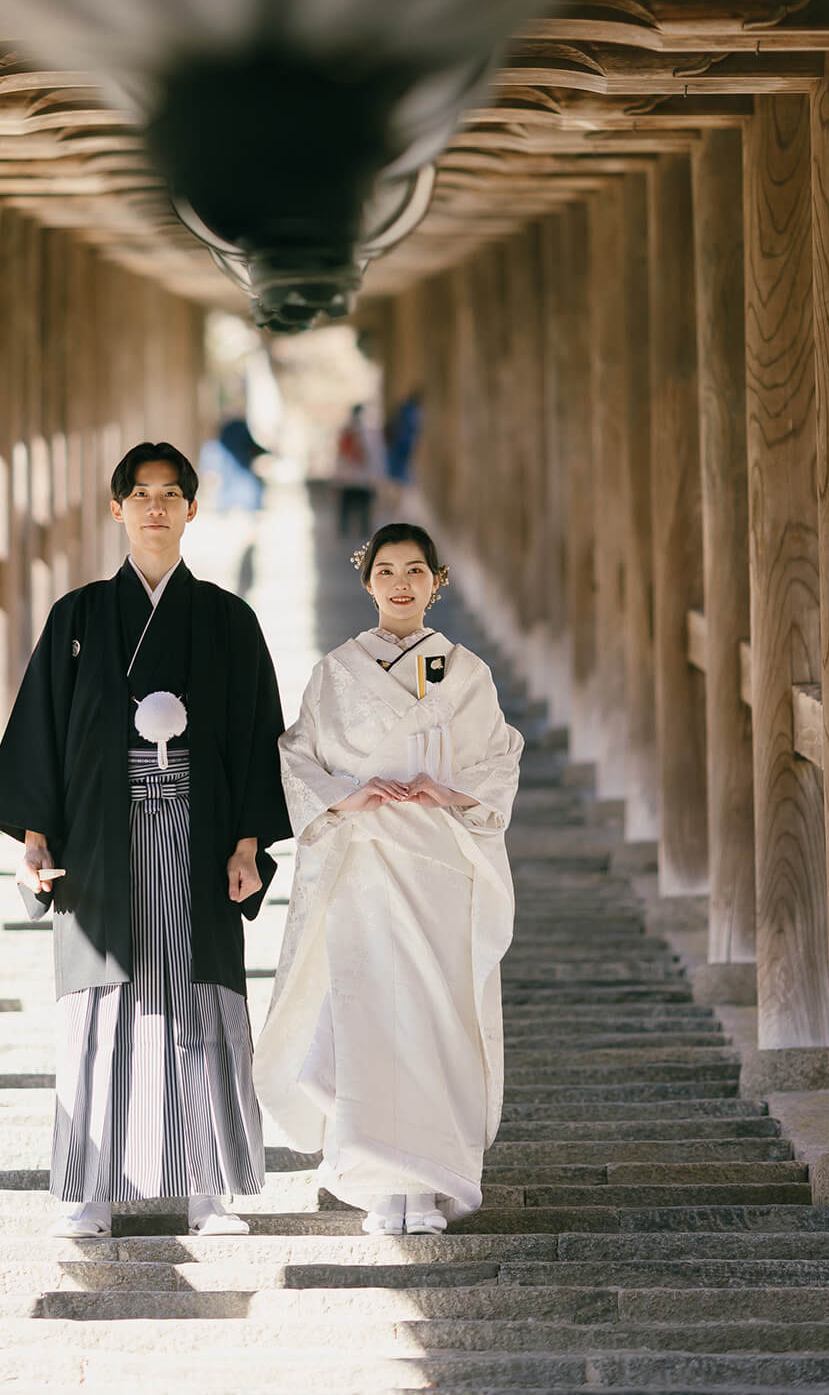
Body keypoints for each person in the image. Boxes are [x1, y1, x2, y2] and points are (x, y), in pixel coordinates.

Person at [0, 442, 290, 1240]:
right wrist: (37, 839)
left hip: (200, 828)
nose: (156, 507)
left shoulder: (227, 619)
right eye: (141, 494)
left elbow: (256, 739)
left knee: (198, 1003)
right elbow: (42, 736)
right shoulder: (77, 618)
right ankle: (89, 1191)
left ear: (192, 508)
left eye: (171, 493)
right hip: (101, 840)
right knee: (99, 1007)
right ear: (116, 509)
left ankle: (207, 1190)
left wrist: (248, 845)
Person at [254, 522, 522, 1236]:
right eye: (386, 571)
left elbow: (498, 759)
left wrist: (448, 790)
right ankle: (376, 1178)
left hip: (437, 862)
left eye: (415, 571)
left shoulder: (467, 673)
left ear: (439, 581)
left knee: (434, 1014)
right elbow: (298, 753)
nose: (401, 583)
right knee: (368, 1010)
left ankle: (429, 1182)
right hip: (363, 861)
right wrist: (349, 793)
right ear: (367, 582)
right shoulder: (336, 671)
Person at [333, 403, 384, 539]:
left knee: (349, 509)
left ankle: (348, 534)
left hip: (352, 479)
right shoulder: (368, 432)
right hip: (359, 479)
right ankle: (360, 536)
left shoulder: (348, 431)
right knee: (361, 510)